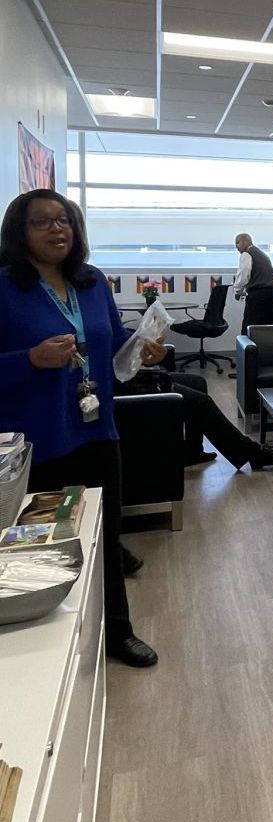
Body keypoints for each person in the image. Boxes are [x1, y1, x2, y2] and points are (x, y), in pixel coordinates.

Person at [0, 189, 165, 667]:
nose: (57, 229)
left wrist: (142, 351)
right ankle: (48, 653)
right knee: (43, 547)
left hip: (97, 431)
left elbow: (114, 348)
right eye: (42, 222)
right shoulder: (5, 287)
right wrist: (30, 360)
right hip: (37, 441)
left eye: (64, 220)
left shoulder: (92, 282)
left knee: (106, 535)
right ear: (19, 232)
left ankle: (118, 632)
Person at [116, 367, 273, 470]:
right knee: (200, 401)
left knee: (198, 383)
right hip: (124, 385)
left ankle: (193, 451)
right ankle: (253, 453)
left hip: (133, 374)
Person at [233, 233, 273, 334]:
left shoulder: (247, 254)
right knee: (267, 329)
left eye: (237, 242)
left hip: (258, 296)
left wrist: (237, 291)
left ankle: (247, 345)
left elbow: (243, 275)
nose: (236, 246)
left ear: (245, 241)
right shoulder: (262, 254)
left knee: (250, 329)